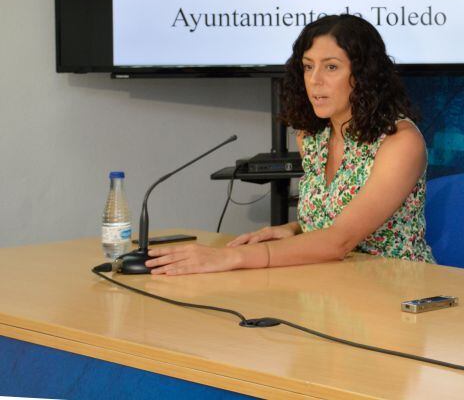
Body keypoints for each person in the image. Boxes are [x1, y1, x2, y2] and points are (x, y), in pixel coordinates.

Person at [145, 14, 435, 275]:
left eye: (331, 67)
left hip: (396, 294)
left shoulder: (400, 142)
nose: (314, 80)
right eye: (308, 67)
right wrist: (294, 230)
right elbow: (333, 216)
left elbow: (340, 240)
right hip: (328, 283)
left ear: (363, 76)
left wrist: (228, 258)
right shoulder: (312, 137)